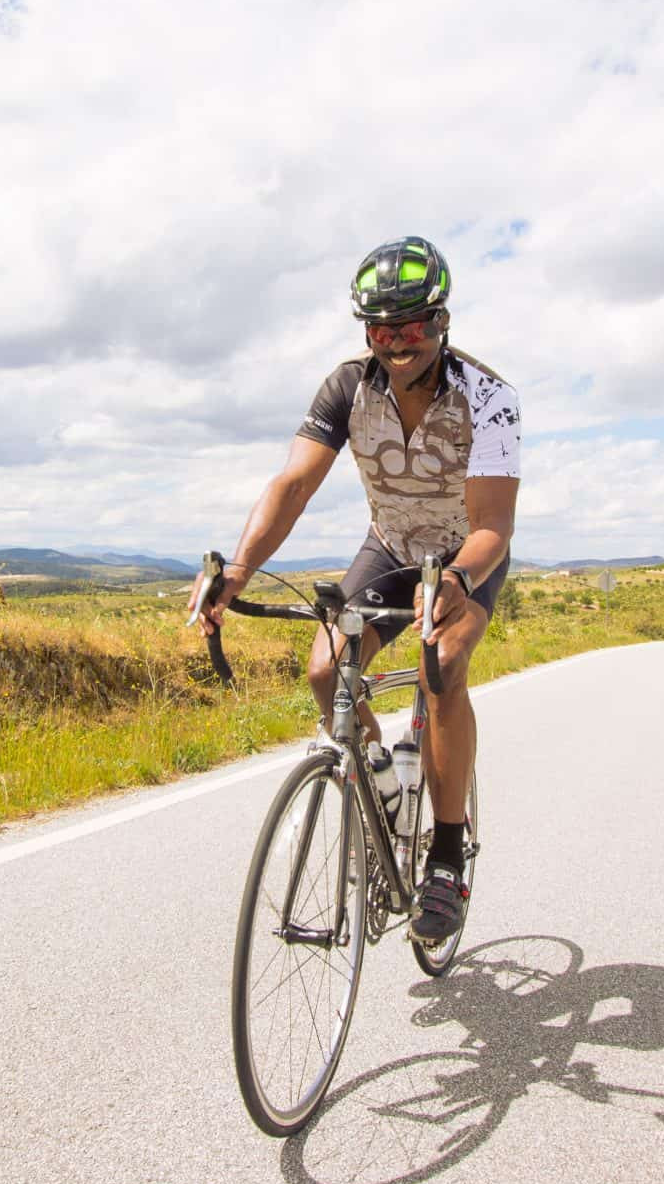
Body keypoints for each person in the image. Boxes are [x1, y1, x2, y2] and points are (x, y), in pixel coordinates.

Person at [193, 236, 520, 943]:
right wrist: (239, 572)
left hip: (465, 557)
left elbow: (494, 521)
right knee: (323, 669)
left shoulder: (489, 399)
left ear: (441, 323)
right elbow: (294, 483)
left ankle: (443, 857)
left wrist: (460, 580)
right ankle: (380, 776)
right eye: (380, 328)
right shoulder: (348, 388)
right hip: (393, 547)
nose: (397, 342)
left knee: (442, 671)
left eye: (411, 325)